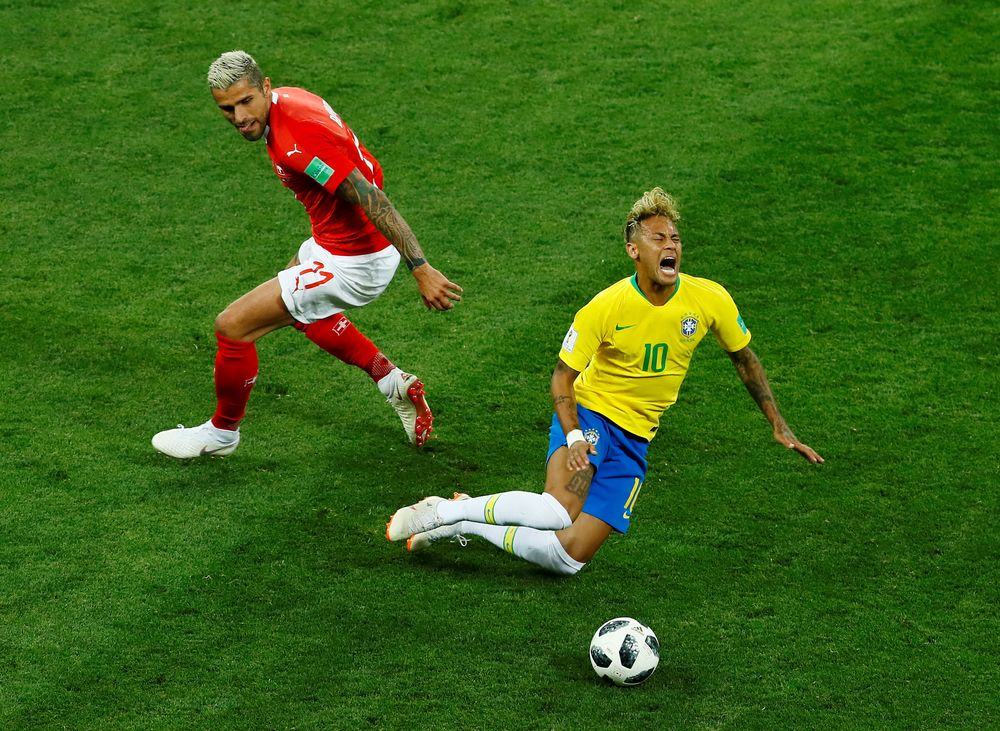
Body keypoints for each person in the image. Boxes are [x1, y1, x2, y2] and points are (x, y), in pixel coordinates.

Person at [386, 187, 822, 575]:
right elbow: (561, 378)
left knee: (568, 557)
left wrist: (778, 424)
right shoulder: (606, 307)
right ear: (634, 250)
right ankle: (439, 511)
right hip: (592, 417)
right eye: (658, 238)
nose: (670, 246)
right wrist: (574, 435)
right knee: (557, 511)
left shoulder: (709, 299)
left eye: (675, 239)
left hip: (636, 439)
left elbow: (744, 358)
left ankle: (465, 518)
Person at [152, 50, 462, 459]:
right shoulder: (292, 99)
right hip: (335, 242)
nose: (239, 117)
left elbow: (371, 199)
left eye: (246, 102)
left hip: (355, 262)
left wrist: (420, 268)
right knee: (300, 306)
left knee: (232, 327)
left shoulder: (297, 143)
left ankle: (221, 434)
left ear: (264, 88)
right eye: (227, 109)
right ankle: (393, 383)